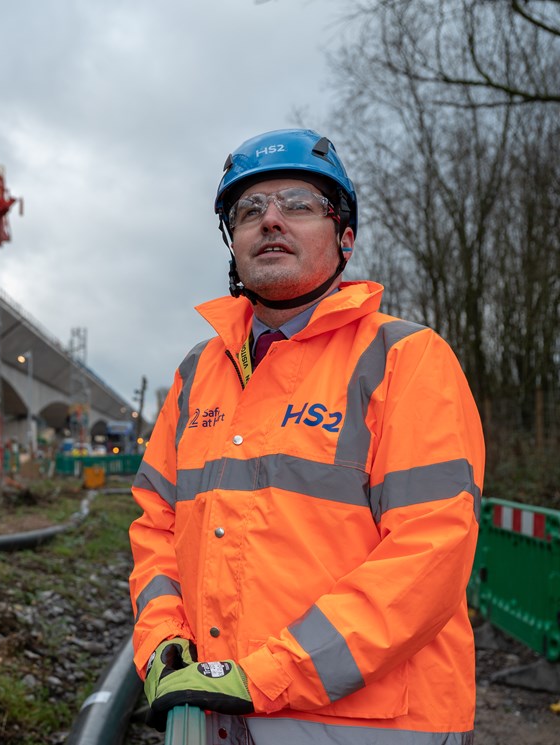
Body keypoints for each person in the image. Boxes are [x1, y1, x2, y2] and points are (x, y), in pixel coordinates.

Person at [129, 129, 484, 743]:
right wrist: (163, 645)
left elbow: (430, 552)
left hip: (371, 723)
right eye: (248, 211)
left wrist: (267, 675)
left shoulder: (405, 359)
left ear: (344, 237)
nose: (270, 220)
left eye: (297, 204)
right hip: (214, 710)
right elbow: (156, 525)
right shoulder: (197, 373)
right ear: (232, 241)